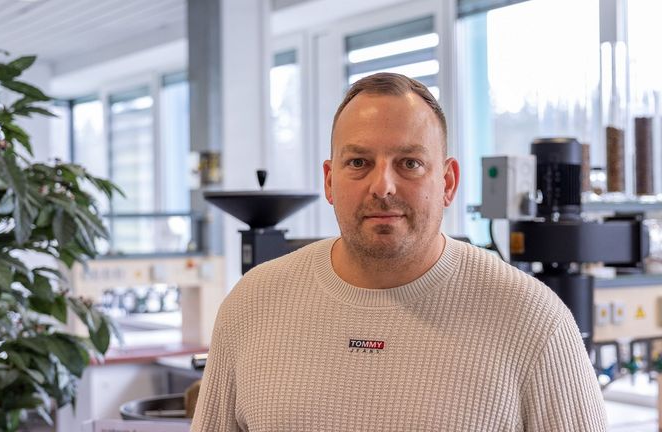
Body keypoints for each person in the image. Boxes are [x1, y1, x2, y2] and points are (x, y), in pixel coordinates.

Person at [191, 72, 606, 431]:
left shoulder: (532, 320)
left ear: (447, 182)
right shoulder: (252, 302)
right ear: (330, 181)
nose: (383, 186)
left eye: (409, 163)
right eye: (358, 162)